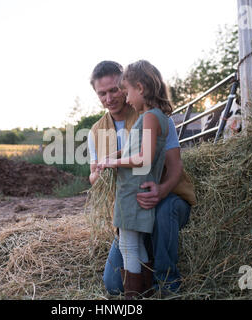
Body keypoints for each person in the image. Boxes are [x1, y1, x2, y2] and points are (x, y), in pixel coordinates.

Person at [88, 61, 197, 297]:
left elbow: (175, 166)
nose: (110, 98)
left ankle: (167, 283)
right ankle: (143, 289)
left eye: (116, 90)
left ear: (130, 87)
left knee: (163, 210)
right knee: (114, 284)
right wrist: (101, 171)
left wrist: (163, 189)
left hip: (161, 198)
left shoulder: (154, 119)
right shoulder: (96, 131)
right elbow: (94, 177)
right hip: (130, 202)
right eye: (102, 93)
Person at [97, 60, 172, 299]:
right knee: (135, 245)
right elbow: (135, 149)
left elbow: (144, 157)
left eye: (127, 91)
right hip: (136, 190)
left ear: (140, 88)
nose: (126, 99)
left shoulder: (149, 117)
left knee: (129, 246)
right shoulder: (155, 117)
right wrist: (113, 155)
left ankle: (132, 297)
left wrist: (113, 163)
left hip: (132, 192)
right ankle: (145, 291)